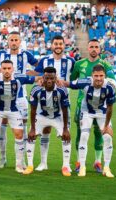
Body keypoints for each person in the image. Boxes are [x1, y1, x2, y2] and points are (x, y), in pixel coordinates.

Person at [0, 31, 39, 169]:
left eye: (16, 40)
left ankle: (23, 160)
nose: (14, 42)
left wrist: (29, 74)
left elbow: (38, 67)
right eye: (12, 40)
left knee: (22, 129)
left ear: (20, 41)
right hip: (2, 97)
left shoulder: (26, 55)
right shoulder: (1, 54)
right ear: (8, 41)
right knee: (2, 129)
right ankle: (3, 158)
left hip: (21, 98)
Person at [0, 60, 41, 173]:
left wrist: (43, 79)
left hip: (14, 109)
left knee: (19, 135)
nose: (6, 71)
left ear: (12, 69)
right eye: (4, 68)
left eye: (9, 68)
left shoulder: (19, 78)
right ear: (1, 69)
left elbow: (36, 78)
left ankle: (18, 165)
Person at [27, 35, 75, 172]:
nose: (58, 46)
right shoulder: (45, 60)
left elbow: (76, 76)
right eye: (56, 44)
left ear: (64, 45)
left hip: (62, 102)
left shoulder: (71, 61)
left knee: (66, 133)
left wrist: (66, 84)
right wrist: (32, 76)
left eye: (61, 44)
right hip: (44, 101)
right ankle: (43, 163)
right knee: (45, 130)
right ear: (51, 45)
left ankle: (66, 164)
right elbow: (37, 74)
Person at [70, 39, 116, 173]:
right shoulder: (79, 64)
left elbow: (113, 82)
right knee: (80, 134)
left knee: (99, 133)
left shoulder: (105, 65)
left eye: (97, 47)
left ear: (100, 49)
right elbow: (73, 81)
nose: (94, 49)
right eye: (92, 47)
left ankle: (97, 162)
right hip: (83, 106)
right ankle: (79, 162)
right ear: (88, 48)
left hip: (100, 106)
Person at [62, 64, 116, 178]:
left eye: (101, 76)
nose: (99, 78)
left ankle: (106, 167)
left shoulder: (109, 87)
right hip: (87, 112)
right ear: (92, 75)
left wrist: (106, 126)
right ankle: (82, 166)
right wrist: (56, 80)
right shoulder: (85, 82)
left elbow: (110, 108)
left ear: (104, 76)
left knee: (107, 137)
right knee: (84, 136)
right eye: (96, 76)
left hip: (103, 112)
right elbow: (69, 84)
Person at [23, 67, 71, 176]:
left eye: (52, 78)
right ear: (43, 78)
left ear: (56, 78)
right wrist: (33, 128)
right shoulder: (36, 89)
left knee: (66, 137)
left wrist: (65, 129)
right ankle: (31, 165)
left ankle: (66, 166)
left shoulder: (62, 90)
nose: (49, 81)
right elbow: (33, 110)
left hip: (57, 117)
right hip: (42, 116)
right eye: (47, 78)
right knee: (31, 136)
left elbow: (65, 110)